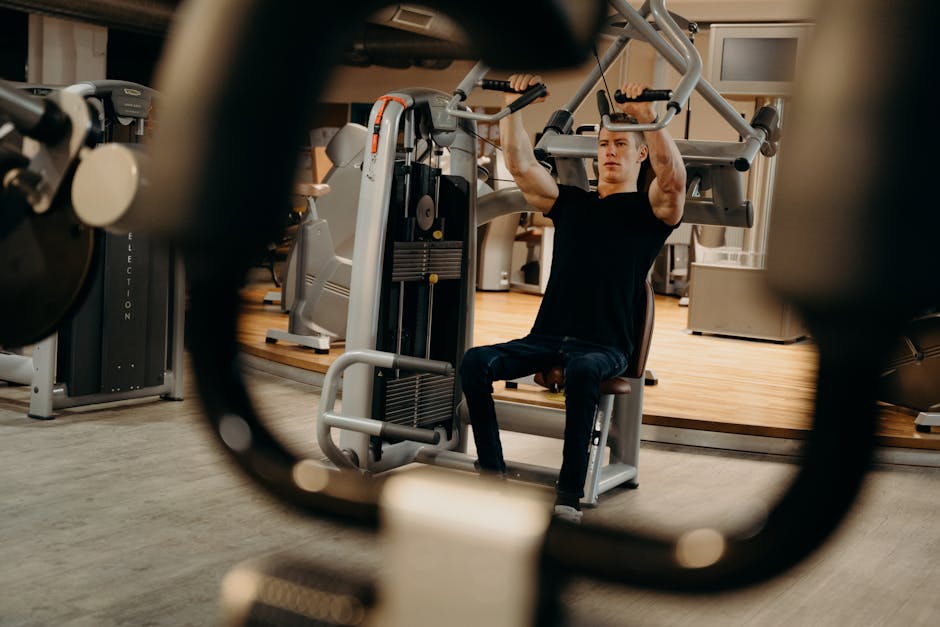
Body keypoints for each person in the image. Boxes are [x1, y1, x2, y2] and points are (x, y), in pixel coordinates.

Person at [459, 74, 686, 524]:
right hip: (546, 337)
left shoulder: (651, 212)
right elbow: (523, 168)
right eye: (605, 144)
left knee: (583, 371)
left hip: (605, 347)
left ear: (640, 153)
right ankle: (493, 476)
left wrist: (648, 120)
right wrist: (512, 107)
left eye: (622, 144)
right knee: (473, 362)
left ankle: (567, 495)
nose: (610, 152)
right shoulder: (573, 204)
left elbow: (674, 179)